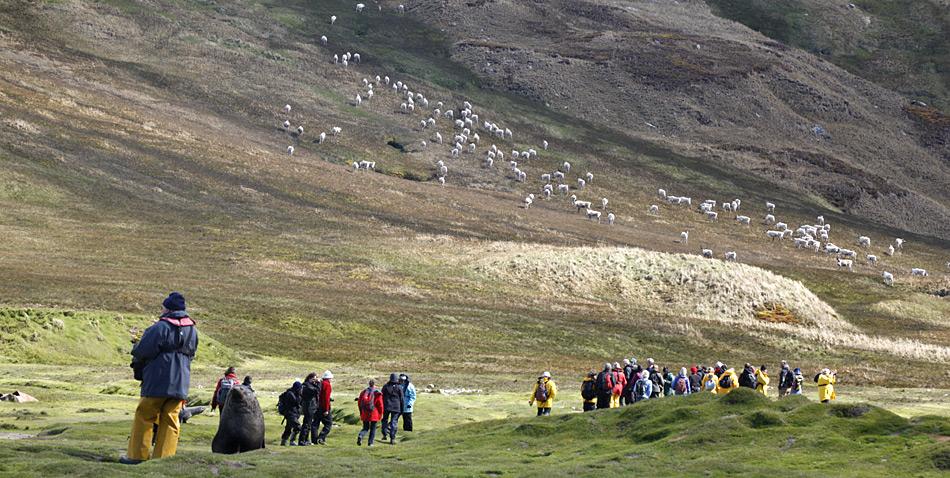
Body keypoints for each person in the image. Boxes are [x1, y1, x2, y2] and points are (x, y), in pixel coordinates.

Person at [121, 292, 198, 465]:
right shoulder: (192, 330)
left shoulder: (160, 328)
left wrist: (136, 350)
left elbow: (142, 351)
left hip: (157, 381)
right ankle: (164, 459)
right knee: (171, 419)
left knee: (145, 415)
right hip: (181, 384)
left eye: (163, 307)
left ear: (168, 308)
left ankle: (137, 456)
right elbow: (192, 354)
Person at [357, 380, 384, 447]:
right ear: (375, 385)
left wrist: (361, 412)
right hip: (374, 413)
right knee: (373, 428)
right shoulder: (377, 393)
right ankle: (370, 443)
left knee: (365, 428)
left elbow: (359, 403)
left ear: (369, 384)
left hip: (365, 412)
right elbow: (380, 405)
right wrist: (380, 414)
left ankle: (361, 435)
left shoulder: (363, 392)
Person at [297, 372, 321, 446]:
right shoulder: (307, 386)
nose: (315, 380)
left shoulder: (308, 385)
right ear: (310, 378)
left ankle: (305, 440)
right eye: (314, 378)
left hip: (310, 406)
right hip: (309, 407)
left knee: (308, 424)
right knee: (306, 424)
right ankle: (302, 440)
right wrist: (319, 383)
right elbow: (317, 391)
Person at [381, 373, 405, 444]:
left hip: (386, 406)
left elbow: (381, 397)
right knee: (394, 422)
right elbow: (402, 399)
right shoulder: (399, 387)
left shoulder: (385, 386)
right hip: (396, 407)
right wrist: (402, 409)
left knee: (385, 420)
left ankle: (385, 434)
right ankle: (392, 438)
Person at [278, 381, 302, 446]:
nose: (301, 390)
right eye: (300, 388)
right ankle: (292, 441)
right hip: (291, 414)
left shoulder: (294, 393)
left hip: (293, 413)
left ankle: (284, 442)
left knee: (288, 428)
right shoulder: (290, 394)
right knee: (298, 427)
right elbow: (297, 402)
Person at [315, 371, 334, 444]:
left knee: (315, 424)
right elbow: (326, 398)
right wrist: (326, 409)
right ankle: (321, 438)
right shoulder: (327, 385)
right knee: (328, 423)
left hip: (318, 406)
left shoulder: (320, 383)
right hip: (324, 407)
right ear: (329, 378)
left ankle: (315, 439)